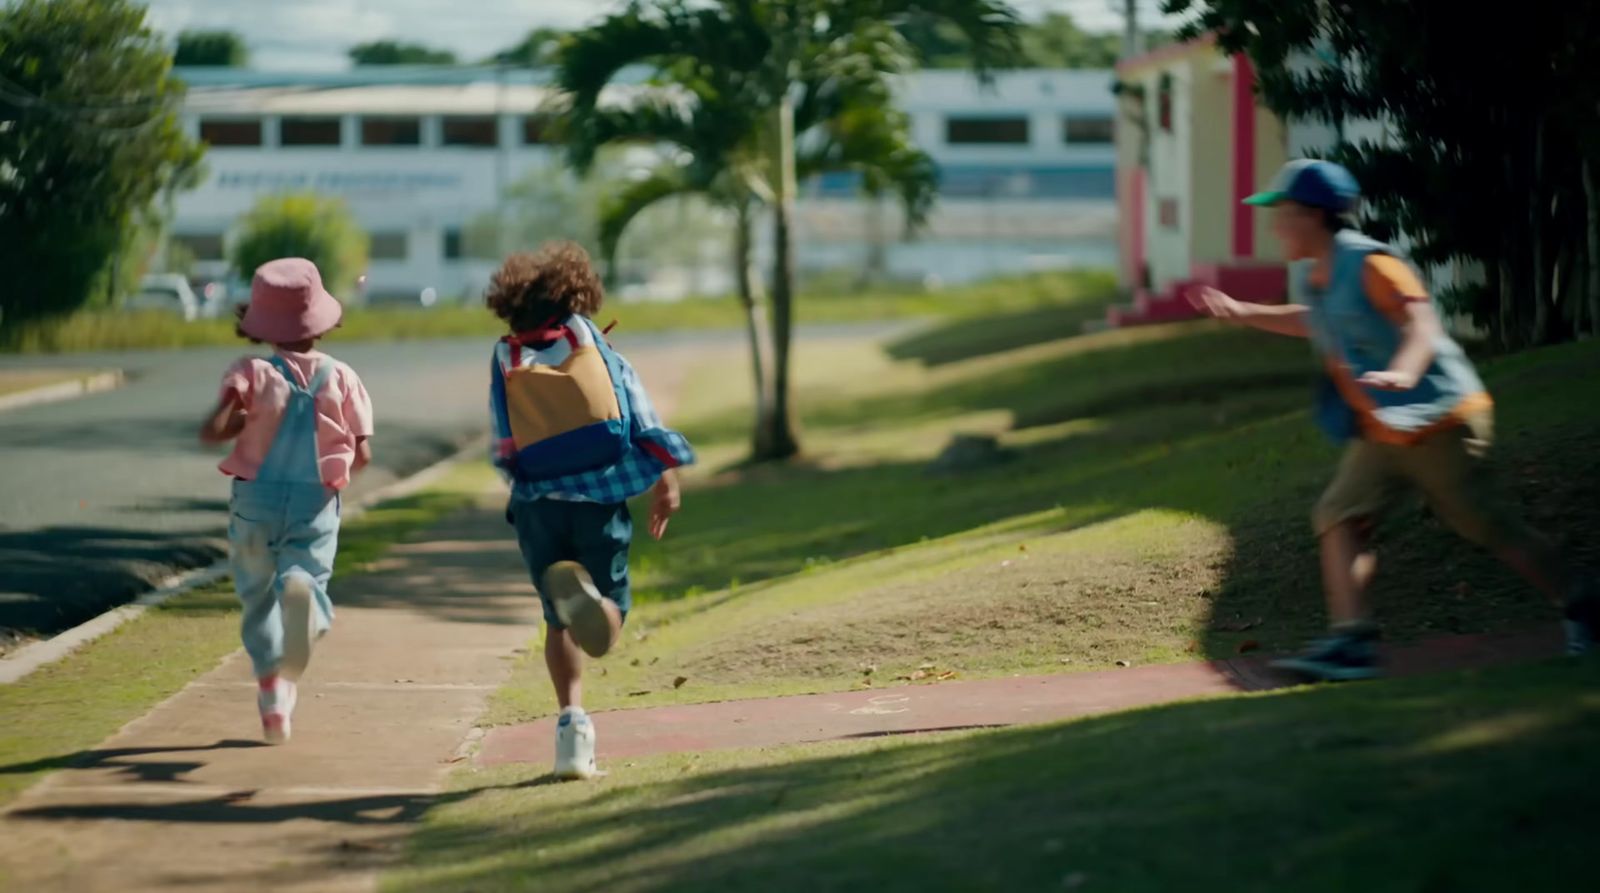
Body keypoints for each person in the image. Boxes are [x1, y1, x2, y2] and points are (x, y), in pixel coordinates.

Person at [1188, 159, 1596, 681]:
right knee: (1338, 515)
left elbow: (1421, 323)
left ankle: (1584, 599)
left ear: (1314, 215)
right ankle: (1351, 641)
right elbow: (1314, 320)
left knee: (1486, 524)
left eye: (1283, 213)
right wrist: (1243, 311)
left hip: (1440, 418)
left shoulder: (1371, 263)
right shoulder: (1318, 277)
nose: (1274, 225)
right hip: (1385, 429)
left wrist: (1404, 370)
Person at [486, 242, 694, 779]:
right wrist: (664, 480)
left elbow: (504, 443)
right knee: (610, 609)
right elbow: (640, 419)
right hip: (600, 499)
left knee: (557, 622)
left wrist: (526, 486)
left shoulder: (506, 358)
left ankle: (571, 728)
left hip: (538, 506)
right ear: (578, 296)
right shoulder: (595, 349)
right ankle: (598, 610)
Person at [199, 258, 374, 742]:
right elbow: (363, 452)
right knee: (307, 574)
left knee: (256, 597)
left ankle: (272, 691)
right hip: (314, 498)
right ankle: (305, 606)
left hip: (254, 497)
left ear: (260, 322)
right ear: (321, 318)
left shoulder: (250, 371)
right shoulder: (342, 376)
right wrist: (343, 475)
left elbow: (215, 428)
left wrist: (238, 424)